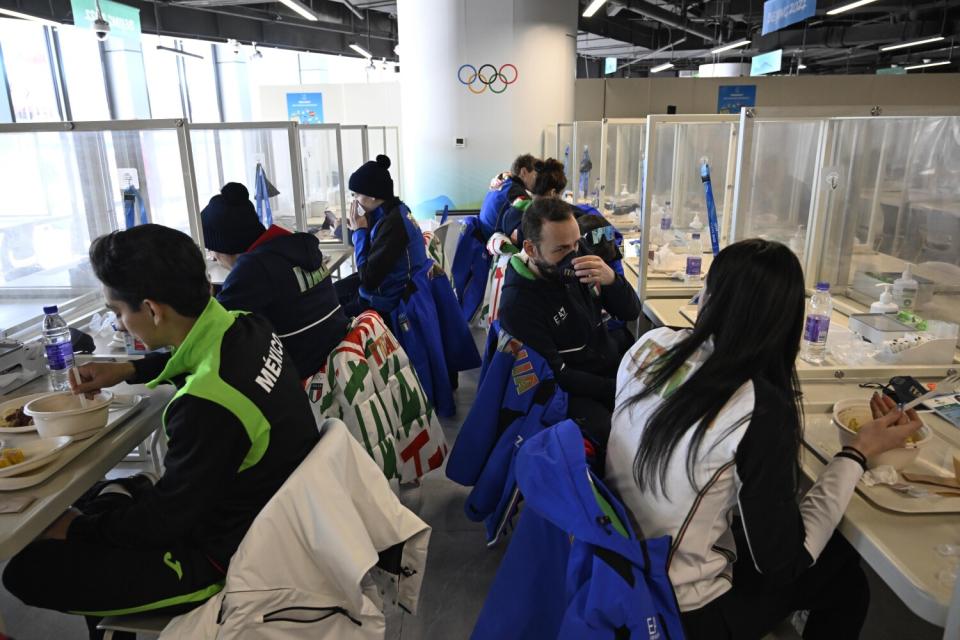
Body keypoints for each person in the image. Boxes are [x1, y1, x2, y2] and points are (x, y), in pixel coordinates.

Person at [3, 224, 320, 639]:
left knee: (29, 569)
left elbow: (162, 523)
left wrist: (76, 530)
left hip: (226, 561)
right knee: (104, 498)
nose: (120, 325)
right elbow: (197, 356)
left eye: (118, 312)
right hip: (263, 516)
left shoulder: (207, 404)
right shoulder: (248, 325)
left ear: (152, 310)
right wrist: (130, 368)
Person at [606, 239, 923, 640]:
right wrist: (857, 452)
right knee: (845, 579)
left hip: (624, 568)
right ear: (784, 323)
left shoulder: (649, 346)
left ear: (710, 297)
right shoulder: (756, 406)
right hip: (682, 613)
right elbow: (783, 564)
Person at [498, 197, 640, 448]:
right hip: (568, 391)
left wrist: (611, 280)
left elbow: (631, 311)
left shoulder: (577, 251)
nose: (572, 255)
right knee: (621, 435)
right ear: (531, 250)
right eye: (561, 250)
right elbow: (558, 376)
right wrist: (620, 387)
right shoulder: (519, 303)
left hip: (602, 363)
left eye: (575, 244)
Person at [201, 182, 349, 380]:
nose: (212, 256)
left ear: (225, 245)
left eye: (212, 249)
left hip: (303, 379)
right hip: (337, 361)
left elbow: (210, 332)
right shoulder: (293, 246)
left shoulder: (253, 268)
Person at [334, 154, 427, 318]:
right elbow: (376, 248)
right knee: (334, 292)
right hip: (394, 290)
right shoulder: (395, 212)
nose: (355, 200)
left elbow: (368, 279)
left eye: (356, 195)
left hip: (391, 304)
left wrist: (360, 232)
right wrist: (350, 230)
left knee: (332, 312)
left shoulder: (393, 224)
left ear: (372, 195)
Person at [478, 154, 539, 239]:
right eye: (534, 175)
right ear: (524, 172)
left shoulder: (504, 183)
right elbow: (534, 216)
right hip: (494, 241)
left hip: (485, 233)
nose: (536, 180)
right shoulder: (515, 191)